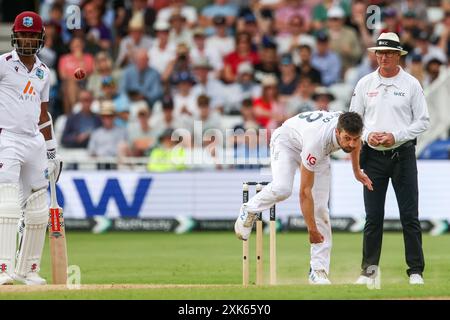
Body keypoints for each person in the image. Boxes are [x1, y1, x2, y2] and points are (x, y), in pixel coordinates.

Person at [234, 111, 365, 284]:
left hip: (319, 152)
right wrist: (311, 229)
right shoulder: (317, 141)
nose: (351, 143)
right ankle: (249, 208)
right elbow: (305, 192)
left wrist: (356, 171)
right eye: (347, 138)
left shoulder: (351, 131)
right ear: (337, 132)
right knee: (282, 188)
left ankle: (318, 271)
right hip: (287, 142)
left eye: (355, 138)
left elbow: (356, 145)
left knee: (321, 210)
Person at [349, 32, 430, 285]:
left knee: (409, 215)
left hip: (402, 155)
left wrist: (395, 136)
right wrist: (368, 135)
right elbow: (353, 120)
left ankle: (415, 271)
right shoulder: (364, 84)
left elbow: (423, 121)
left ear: (398, 56)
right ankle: (369, 271)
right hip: (372, 158)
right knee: (373, 217)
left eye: (388, 53)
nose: (383, 57)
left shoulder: (411, 84)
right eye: (379, 53)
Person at [0, 11, 62, 285]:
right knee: (8, 202)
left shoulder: (43, 72)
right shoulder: (2, 64)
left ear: (40, 38)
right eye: (23, 34)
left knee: (38, 206)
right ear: (15, 35)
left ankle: (28, 270)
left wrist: (51, 150)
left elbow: (43, 115)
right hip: (7, 138)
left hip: (34, 141)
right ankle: (3, 269)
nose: (27, 39)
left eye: (32, 35)